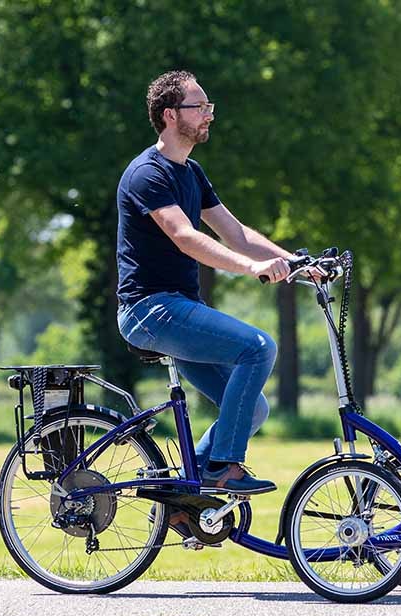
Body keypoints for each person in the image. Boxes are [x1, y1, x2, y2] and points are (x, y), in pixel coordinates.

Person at [115, 70, 295, 496]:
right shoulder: (147, 174)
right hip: (150, 310)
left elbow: (236, 233)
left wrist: (294, 261)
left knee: (251, 410)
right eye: (200, 107)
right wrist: (250, 269)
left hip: (176, 309)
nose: (209, 115)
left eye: (209, 106)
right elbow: (185, 236)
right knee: (258, 347)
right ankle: (223, 468)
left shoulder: (191, 173)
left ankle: (185, 493)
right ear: (170, 115)